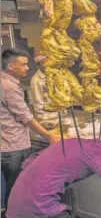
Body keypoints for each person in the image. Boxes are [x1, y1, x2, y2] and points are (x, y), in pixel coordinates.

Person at [6, 137, 101, 218]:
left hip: (16, 198)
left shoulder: (76, 142)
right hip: (38, 204)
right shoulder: (98, 151)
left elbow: (28, 161)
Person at [1, 48, 59, 208]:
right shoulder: (9, 87)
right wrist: (49, 135)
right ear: (11, 66)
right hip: (14, 146)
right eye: (24, 64)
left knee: (13, 189)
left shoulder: (4, 82)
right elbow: (26, 117)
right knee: (17, 190)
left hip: (6, 145)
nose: (27, 67)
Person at [30, 53, 60, 125]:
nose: (48, 67)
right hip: (48, 119)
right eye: (45, 66)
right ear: (39, 65)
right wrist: (45, 122)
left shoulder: (55, 74)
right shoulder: (36, 80)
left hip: (60, 115)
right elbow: (38, 103)